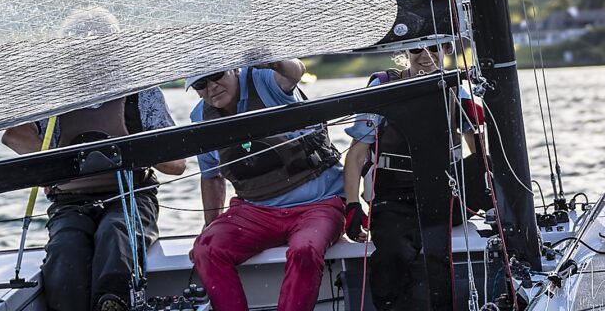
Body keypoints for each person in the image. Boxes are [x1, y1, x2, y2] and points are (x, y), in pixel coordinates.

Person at [2, 7, 186, 311]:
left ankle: (112, 304)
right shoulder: (53, 95)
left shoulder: (142, 92)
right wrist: (56, 163)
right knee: (65, 250)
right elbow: (13, 135)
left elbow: (178, 165)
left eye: (99, 48)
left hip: (130, 198)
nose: (91, 57)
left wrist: (134, 149)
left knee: (115, 235)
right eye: (82, 49)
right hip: (71, 203)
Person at [188, 59, 345, 311]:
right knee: (206, 249)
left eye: (217, 75)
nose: (211, 86)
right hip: (256, 211)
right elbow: (211, 177)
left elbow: (295, 72)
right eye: (200, 83)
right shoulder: (200, 118)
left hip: (318, 205)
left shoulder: (264, 80)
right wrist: (210, 225)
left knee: (305, 249)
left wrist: (273, 59)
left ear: (235, 68)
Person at [342, 42, 489, 311]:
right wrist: (352, 206)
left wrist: (495, 199)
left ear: (446, 50)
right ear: (405, 54)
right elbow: (356, 154)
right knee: (392, 255)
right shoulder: (383, 87)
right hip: (395, 196)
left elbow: (477, 147)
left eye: (434, 48)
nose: (425, 56)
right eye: (416, 50)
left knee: (487, 164)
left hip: (445, 193)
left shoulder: (456, 87)